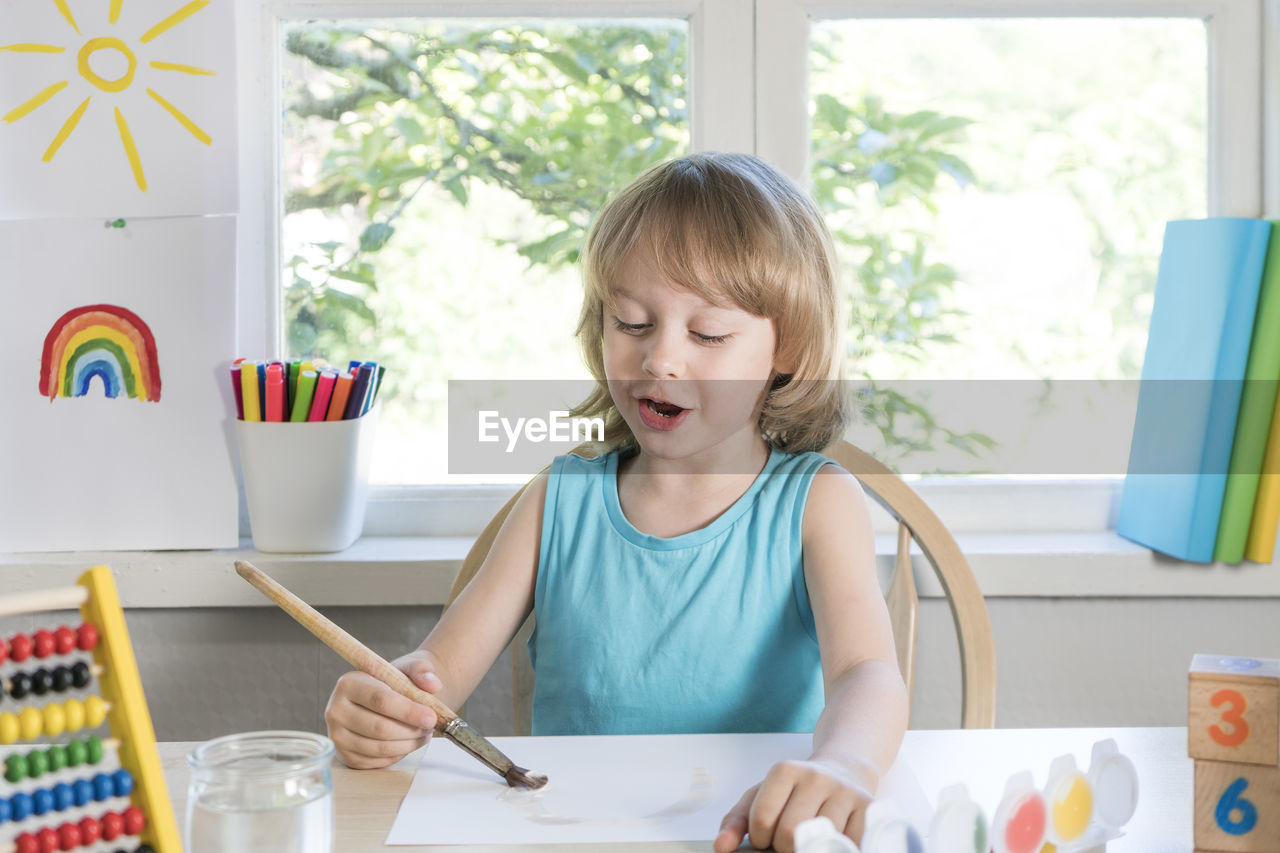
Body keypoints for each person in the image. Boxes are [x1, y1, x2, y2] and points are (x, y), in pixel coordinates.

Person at [325, 152, 908, 853]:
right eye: (632, 322)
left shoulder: (816, 499)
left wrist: (843, 764)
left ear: (787, 347)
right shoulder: (557, 498)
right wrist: (388, 710)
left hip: (752, 833)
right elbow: (434, 678)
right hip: (571, 834)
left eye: (709, 334)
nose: (661, 359)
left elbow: (867, 672)